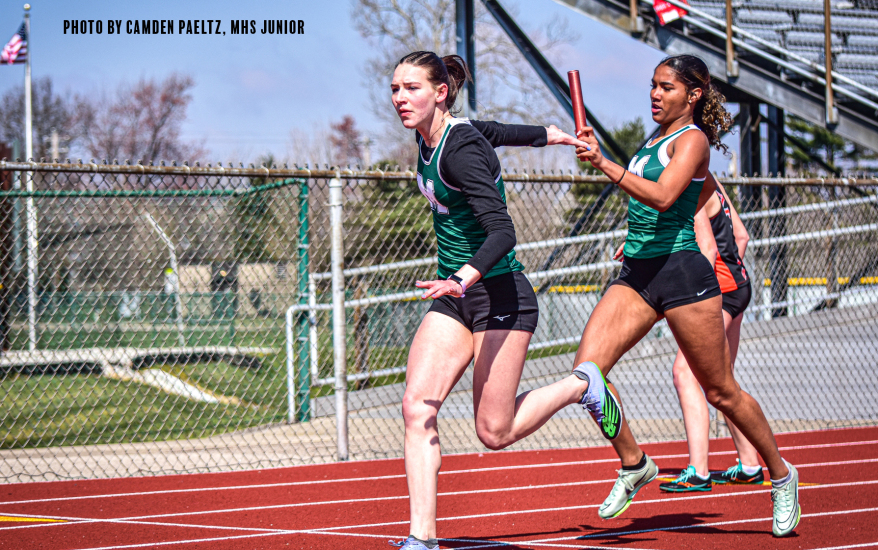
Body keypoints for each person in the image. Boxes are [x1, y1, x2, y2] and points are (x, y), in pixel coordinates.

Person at [571, 54, 800, 537]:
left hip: (682, 275)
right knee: (587, 376)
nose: (655, 94)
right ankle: (634, 462)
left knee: (720, 390)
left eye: (667, 88)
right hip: (638, 272)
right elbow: (661, 206)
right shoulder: (653, 138)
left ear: (693, 95)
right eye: (653, 86)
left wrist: (604, 163)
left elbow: (662, 196)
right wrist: (635, 237)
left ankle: (780, 474)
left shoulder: (693, 140)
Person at [389, 51, 589, 550]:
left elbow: (503, 231)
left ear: (439, 94)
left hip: (499, 292)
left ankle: (581, 385)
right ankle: (423, 538)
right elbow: (497, 130)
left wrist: (462, 277)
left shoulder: (460, 150)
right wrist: (554, 134)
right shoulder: (435, 133)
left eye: (410, 88)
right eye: (394, 88)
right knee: (417, 407)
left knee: (494, 432)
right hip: (455, 296)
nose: (399, 98)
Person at [659, 180, 761, 492]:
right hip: (738, 286)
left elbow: (707, 248)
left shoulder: (692, 187)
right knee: (721, 380)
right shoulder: (714, 184)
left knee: (684, 373)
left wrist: (703, 300)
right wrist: (732, 280)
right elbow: (740, 236)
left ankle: (699, 470)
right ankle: (750, 463)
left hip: (720, 293)